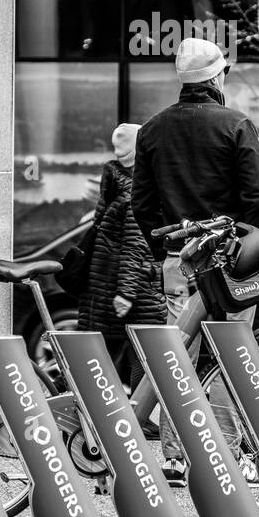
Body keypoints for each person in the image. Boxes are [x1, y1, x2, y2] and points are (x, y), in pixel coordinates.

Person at [131, 36, 259, 485]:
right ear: (216, 77)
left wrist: (166, 253)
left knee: (180, 356)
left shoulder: (152, 129)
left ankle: (176, 457)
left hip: (179, 260)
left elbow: (142, 203)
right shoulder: (235, 125)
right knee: (229, 353)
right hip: (229, 260)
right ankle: (224, 454)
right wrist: (252, 250)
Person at [77, 123, 167, 389]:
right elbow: (134, 244)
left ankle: (108, 416)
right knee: (146, 355)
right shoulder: (135, 193)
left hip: (102, 286)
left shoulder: (114, 185)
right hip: (133, 291)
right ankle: (140, 417)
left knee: (105, 360)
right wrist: (126, 293)